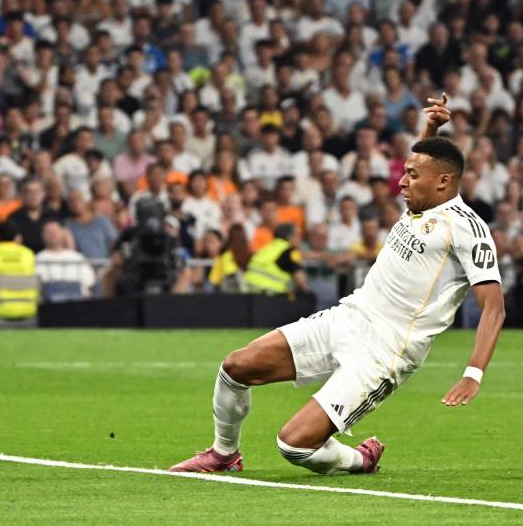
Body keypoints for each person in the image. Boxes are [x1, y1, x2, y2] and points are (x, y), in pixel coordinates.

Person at [170, 98, 506, 476]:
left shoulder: (466, 228)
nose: (401, 181)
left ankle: (360, 458)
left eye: (411, 175)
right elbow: (428, 161)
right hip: (349, 317)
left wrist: (473, 373)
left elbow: (493, 305)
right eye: (406, 172)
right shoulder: (420, 203)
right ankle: (223, 454)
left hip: (385, 351)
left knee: (293, 446)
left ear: (443, 182)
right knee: (235, 367)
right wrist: (431, 130)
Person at [242, 223, 310, 296]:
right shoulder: (291, 252)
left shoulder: (267, 248)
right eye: (297, 235)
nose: (300, 238)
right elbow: (301, 282)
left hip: (248, 291)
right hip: (268, 294)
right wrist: (309, 295)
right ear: (290, 237)